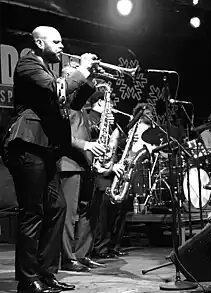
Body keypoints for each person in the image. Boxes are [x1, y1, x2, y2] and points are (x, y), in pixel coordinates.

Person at [1, 26, 101, 293]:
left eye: (61, 40)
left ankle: (47, 274)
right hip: (28, 143)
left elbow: (71, 104)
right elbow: (53, 91)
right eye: (55, 41)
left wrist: (88, 75)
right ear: (38, 42)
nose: (61, 45)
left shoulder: (48, 69)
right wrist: (80, 70)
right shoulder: (28, 64)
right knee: (32, 212)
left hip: (45, 148)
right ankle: (28, 279)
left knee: (56, 209)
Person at [58, 65, 107, 273]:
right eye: (73, 75)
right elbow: (62, 138)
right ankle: (68, 258)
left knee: (89, 213)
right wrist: (87, 146)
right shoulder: (61, 102)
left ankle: (82, 254)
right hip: (69, 164)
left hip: (85, 164)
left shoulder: (79, 106)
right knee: (68, 215)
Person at [87, 92, 129, 259]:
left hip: (110, 169)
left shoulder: (107, 121)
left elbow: (112, 146)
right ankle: (100, 248)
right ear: (99, 102)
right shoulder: (90, 117)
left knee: (115, 210)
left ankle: (110, 246)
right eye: (109, 103)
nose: (112, 107)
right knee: (102, 215)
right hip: (98, 172)